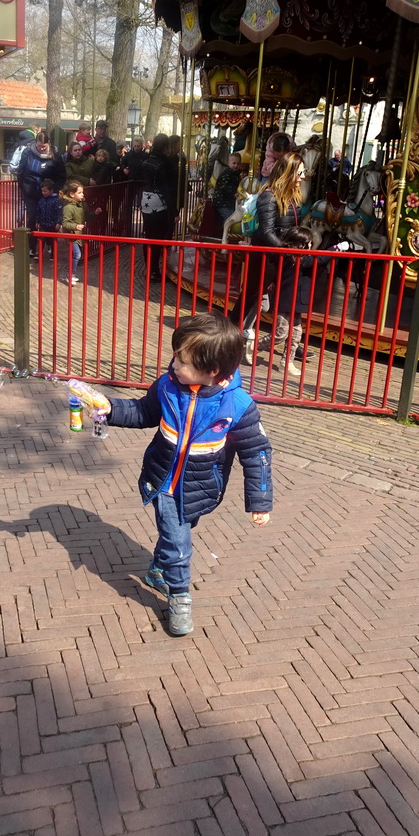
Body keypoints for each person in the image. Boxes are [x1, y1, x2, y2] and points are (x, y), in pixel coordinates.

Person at [91, 313, 272, 635]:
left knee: (177, 535)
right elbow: (143, 412)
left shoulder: (239, 405)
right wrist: (109, 407)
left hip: (202, 487)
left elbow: (256, 452)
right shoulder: (167, 386)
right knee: (178, 543)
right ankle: (179, 596)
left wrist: (260, 500)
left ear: (212, 371)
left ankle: (157, 571)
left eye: (183, 361)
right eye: (175, 355)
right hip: (163, 480)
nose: (174, 364)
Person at [229, 151, 306, 343]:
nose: (303, 177)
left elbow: (290, 225)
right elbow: (266, 231)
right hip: (268, 256)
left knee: (289, 298)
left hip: (284, 254)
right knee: (250, 295)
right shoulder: (269, 197)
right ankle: (229, 333)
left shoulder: (290, 197)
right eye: (300, 173)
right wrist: (285, 248)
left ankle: (292, 343)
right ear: (288, 172)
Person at [248, 225, 315, 375]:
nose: (311, 246)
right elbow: (317, 259)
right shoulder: (290, 257)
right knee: (281, 333)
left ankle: (287, 362)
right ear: (300, 244)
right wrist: (336, 248)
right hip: (285, 300)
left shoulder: (300, 258)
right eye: (308, 243)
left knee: (296, 334)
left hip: (297, 301)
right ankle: (255, 345)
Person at [17, 132, 66, 256]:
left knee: (49, 219)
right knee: (32, 218)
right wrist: (23, 187)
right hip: (31, 191)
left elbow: (61, 175)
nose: (41, 149)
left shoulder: (55, 155)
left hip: (49, 193)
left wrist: (55, 190)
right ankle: (32, 247)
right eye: (39, 146)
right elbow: (21, 172)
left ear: (49, 143)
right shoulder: (27, 153)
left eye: (44, 146)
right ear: (35, 144)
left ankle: (50, 245)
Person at [140, 133, 177, 281]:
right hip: (158, 201)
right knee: (157, 237)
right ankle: (154, 271)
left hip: (146, 198)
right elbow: (166, 189)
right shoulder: (164, 164)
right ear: (165, 147)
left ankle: (149, 268)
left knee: (148, 235)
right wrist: (173, 210)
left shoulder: (147, 161)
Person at [59, 179, 102, 284]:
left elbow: (87, 216)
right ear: (72, 194)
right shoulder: (68, 207)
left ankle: (71, 274)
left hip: (78, 234)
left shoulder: (83, 205)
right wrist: (75, 226)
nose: (82, 194)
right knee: (77, 255)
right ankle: (70, 275)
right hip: (71, 235)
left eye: (82, 192)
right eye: (79, 192)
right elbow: (65, 223)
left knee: (76, 255)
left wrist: (95, 213)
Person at [211, 152, 243, 237]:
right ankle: (225, 236)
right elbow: (225, 187)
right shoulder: (227, 174)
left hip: (228, 202)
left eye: (238, 163)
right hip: (222, 202)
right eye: (234, 163)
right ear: (228, 163)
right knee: (229, 218)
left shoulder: (235, 174)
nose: (236, 165)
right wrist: (235, 193)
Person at [35, 178, 62, 259]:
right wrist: (37, 221)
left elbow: (59, 212)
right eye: (42, 191)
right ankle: (39, 254)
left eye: (45, 191)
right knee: (41, 240)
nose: (43, 193)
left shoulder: (56, 201)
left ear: (51, 191)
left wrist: (58, 222)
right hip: (43, 224)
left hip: (52, 225)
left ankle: (53, 255)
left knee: (52, 241)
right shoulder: (41, 200)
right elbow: (38, 211)